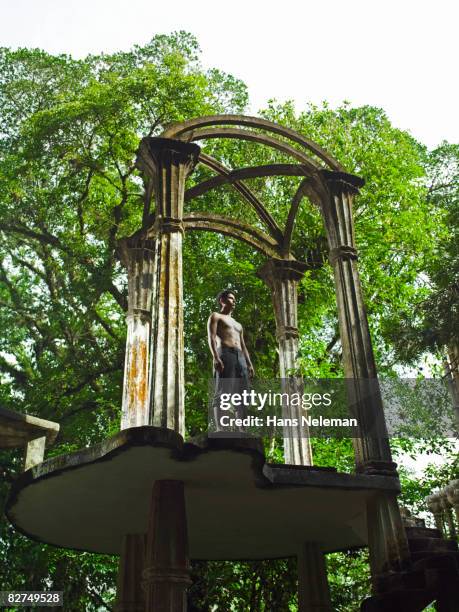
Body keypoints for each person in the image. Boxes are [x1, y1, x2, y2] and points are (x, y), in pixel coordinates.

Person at [207, 290, 254, 429]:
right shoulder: (216, 316)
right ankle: (220, 429)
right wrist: (215, 357)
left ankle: (242, 430)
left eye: (234, 299)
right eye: (231, 298)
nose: (234, 301)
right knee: (223, 392)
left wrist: (249, 364)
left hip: (240, 358)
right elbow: (211, 337)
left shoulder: (238, 324)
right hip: (225, 354)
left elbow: (244, 346)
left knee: (242, 395)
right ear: (222, 300)